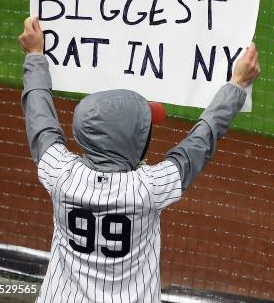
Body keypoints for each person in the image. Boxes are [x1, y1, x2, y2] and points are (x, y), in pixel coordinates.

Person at [18, 16, 260, 303]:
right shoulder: (149, 189)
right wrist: (236, 85)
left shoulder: (59, 173)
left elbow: (40, 119)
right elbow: (200, 140)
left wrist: (35, 56)